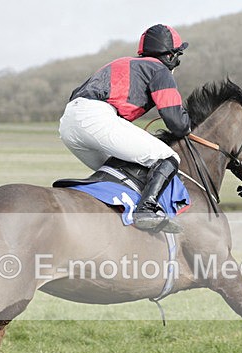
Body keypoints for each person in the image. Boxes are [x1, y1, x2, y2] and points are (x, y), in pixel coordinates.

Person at [59, 24, 191, 233]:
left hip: (68, 124)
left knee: (124, 172)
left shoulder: (122, 62)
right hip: (96, 117)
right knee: (168, 157)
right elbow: (178, 124)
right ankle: (146, 210)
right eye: (178, 56)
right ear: (170, 56)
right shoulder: (160, 71)